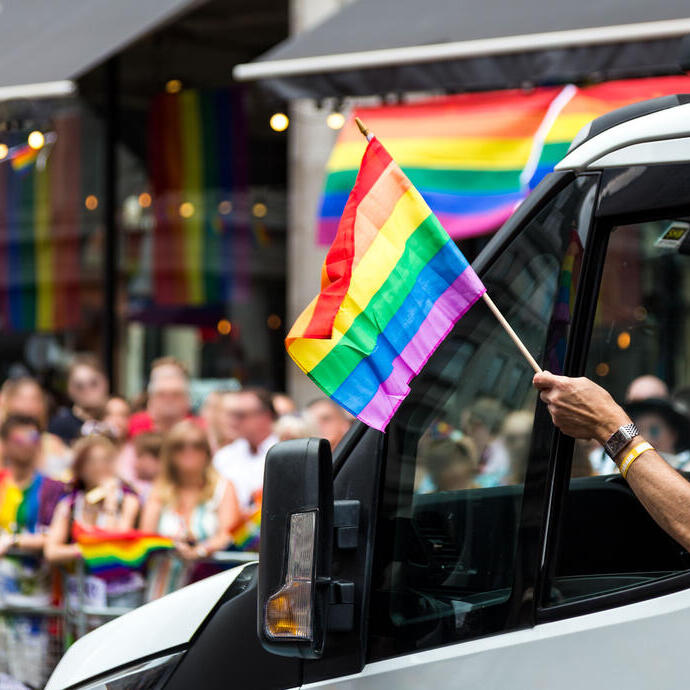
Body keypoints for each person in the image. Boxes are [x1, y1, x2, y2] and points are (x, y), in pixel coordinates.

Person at [534, 371, 690, 552]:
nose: (647, 438)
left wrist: (611, 429)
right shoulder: (598, 462)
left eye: (654, 431)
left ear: (674, 433)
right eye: (636, 428)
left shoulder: (685, 464)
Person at [141, 420, 239, 599]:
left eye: (197, 446)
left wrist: (200, 550)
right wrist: (172, 544)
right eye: (180, 447)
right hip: (165, 587)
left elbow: (228, 533)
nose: (189, 452)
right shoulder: (159, 490)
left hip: (211, 585)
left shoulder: (223, 487)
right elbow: (146, 536)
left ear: (207, 452)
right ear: (170, 454)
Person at [44, 435, 142, 606]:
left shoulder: (127, 500)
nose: (100, 467)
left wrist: (110, 503)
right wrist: (88, 550)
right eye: (92, 462)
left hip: (121, 593)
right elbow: (52, 551)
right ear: (80, 467)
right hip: (84, 593)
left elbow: (116, 542)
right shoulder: (70, 504)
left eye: (106, 461)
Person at [0, 416, 65, 605]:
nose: (27, 444)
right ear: (4, 443)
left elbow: (57, 536)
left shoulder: (53, 489)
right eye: (19, 439)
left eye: (33, 438)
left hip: (38, 594)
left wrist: (13, 541)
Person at [213, 388, 278, 511]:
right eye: (233, 415)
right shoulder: (224, 456)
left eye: (241, 415)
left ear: (265, 416)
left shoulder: (285, 454)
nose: (234, 421)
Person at [0, 377, 70, 480]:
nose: (28, 405)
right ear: (7, 402)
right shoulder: (2, 444)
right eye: (22, 399)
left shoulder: (52, 443)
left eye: (35, 399)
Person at [48, 355, 109, 444]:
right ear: (69, 389)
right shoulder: (61, 425)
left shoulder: (116, 418)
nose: (87, 390)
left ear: (106, 382)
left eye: (94, 383)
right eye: (79, 386)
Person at [128, 357, 193, 438]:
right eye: (161, 394)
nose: (169, 400)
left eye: (175, 394)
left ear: (186, 399)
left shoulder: (198, 429)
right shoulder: (135, 426)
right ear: (151, 398)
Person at [131, 432, 164, 499]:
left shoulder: (164, 494)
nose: (135, 464)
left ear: (157, 460)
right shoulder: (147, 490)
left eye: (139, 456)